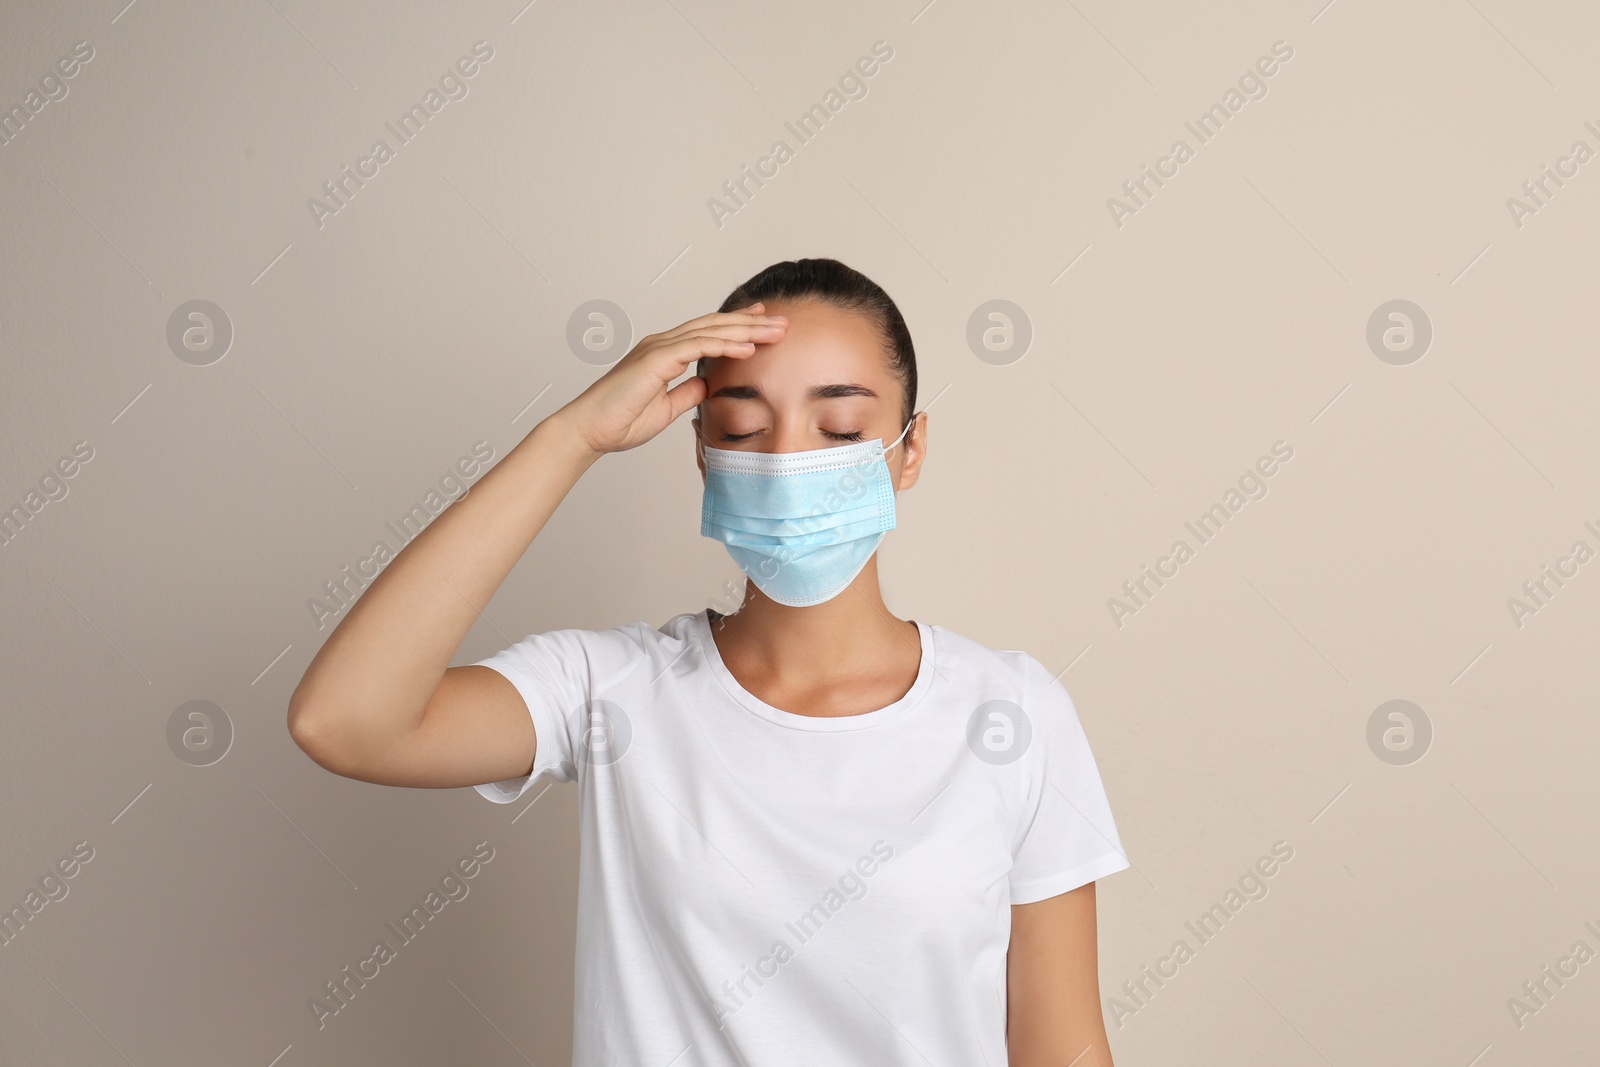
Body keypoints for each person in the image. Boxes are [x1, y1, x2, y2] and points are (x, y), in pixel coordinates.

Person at [288, 258, 1131, 1066]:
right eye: (742, 427)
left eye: (838, 428)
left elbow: (1062, 1050)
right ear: (701, 453)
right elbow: (345, 720)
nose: (787, 460)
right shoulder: (613, 693)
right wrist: (572, 435)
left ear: (909, 452)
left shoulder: (1012, 712)